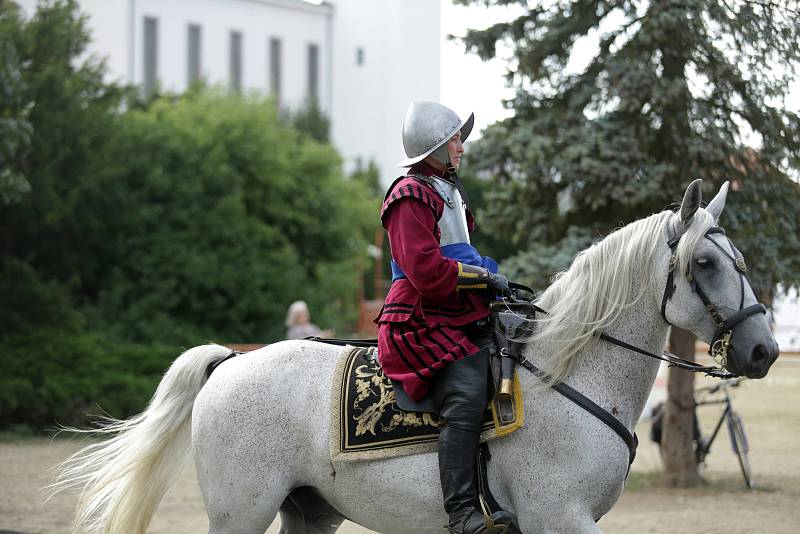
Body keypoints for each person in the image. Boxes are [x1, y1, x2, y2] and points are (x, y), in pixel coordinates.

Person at [375, 102, 515, 534]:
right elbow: (427, 273)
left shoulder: (449, 191)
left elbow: (460, 255)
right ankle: (461, 514)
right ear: (433, 146)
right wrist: (482, 278)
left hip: (458, 306)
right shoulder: (409, 194)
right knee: (467, 385)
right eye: (455, 139)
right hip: (421, 316)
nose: (461, 147)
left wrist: (489, 279)